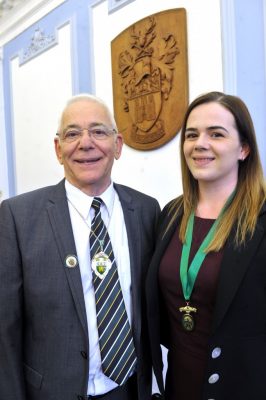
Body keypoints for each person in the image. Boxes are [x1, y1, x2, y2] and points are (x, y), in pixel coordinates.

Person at [0, 93, 161, 400]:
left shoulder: (146, 210)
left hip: (129, 389)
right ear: (58, 150)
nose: (86, 143)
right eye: (72, 133)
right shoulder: (17, 217)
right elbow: (4, 331)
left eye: (99, 131)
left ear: (118, 145)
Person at [146, 91, 266, 399]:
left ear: (244, 148)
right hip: (178, 388)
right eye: (192, 134)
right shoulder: (171, 214)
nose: (200, 143)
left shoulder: (261, 219)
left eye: (216, 134)